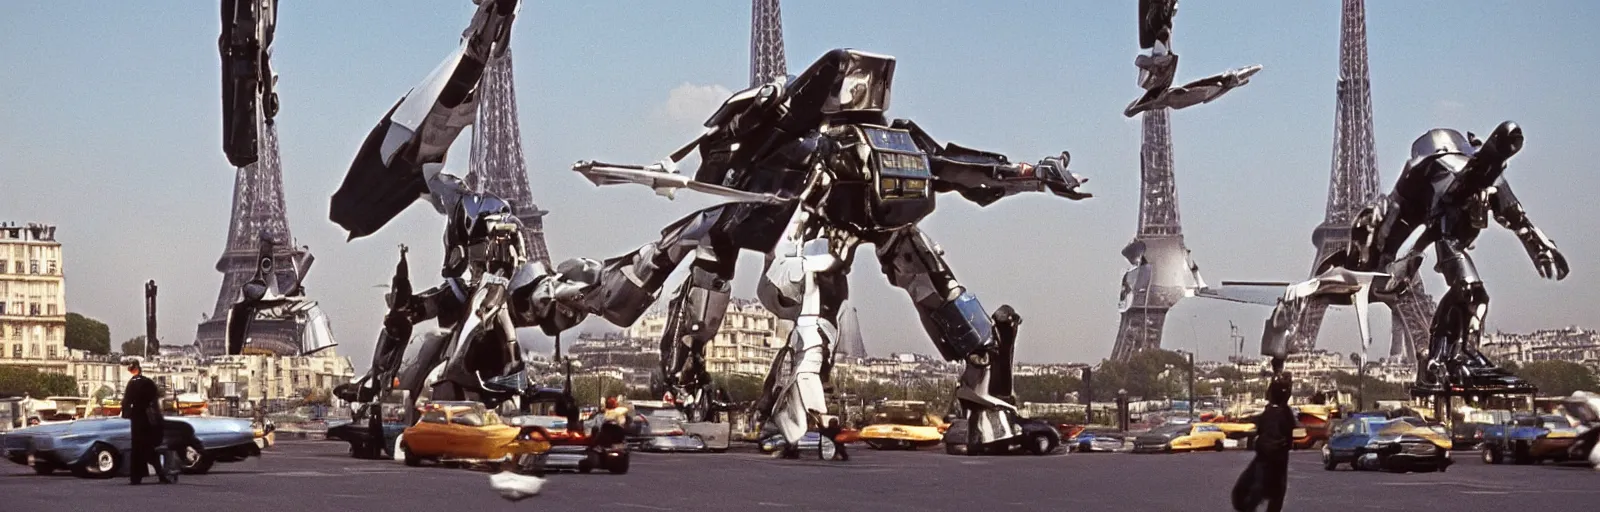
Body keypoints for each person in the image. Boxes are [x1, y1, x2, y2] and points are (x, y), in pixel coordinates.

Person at [1233, 371, 1294, 512]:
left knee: (1260, 492)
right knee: (1275, 494)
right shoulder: (1283, 413)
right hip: (1275, 460)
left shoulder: (1274, 413)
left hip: (1268, 459)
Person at [121, 359, 175, 485]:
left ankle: (137, 477)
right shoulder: (148, 383)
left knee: (140, 449)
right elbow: (154, 403)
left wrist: (127, 414)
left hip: (137, 420)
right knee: (149, 449)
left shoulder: (132, 384)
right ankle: (159, 474)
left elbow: (126, 402)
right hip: (147, 420)